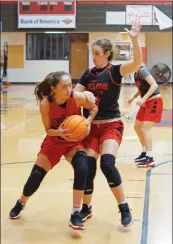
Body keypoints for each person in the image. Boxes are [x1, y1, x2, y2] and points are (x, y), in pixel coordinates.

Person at [74, 20, 143, 227]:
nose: (93, 55)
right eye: (92, 52)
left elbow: (137, 63)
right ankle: (86, 208)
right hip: (90, 126)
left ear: (106, 53)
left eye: (96, 52)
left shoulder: (115, 71)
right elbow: (75, 94)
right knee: (87, 167)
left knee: (107, 163)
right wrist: (81, 94)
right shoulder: (88, 73)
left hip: (111, 125)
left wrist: (134, 39)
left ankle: (124, 207)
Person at [9, 71, 98, 231]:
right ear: (53, 89)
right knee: (36, 176)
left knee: (82, 167)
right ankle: (21, 202)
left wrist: (88, 121)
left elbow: (94, 107)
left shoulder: (76, 97)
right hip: (54, 141)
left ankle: (76, 213)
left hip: (73, 142)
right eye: (64, 86)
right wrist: (60, 132)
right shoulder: (45, 104)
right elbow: (48, 130)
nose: (69, 89)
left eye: (70, 84)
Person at [127, 65, 163, 168]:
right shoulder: (135, 73)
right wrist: (132, 98)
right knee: (137, 127)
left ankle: (150, 158)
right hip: (146, 102)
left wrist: (143, 99)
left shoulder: (143, 71)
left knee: (144, 129)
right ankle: (144, 153)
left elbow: (154, 85)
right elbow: (141, 89)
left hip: (154, 101)